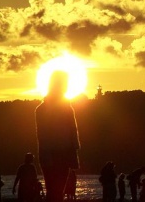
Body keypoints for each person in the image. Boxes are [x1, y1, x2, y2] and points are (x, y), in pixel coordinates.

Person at [36, 70, 81, 202]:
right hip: (51, 153)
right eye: (65, 83)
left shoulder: (67, 106)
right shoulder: (43, 109)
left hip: (64, 153)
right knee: (54, 191)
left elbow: (72, 131)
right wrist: (46, 156)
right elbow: (42, 135)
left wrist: (74, 153)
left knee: (58, 191)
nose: (67, 86)